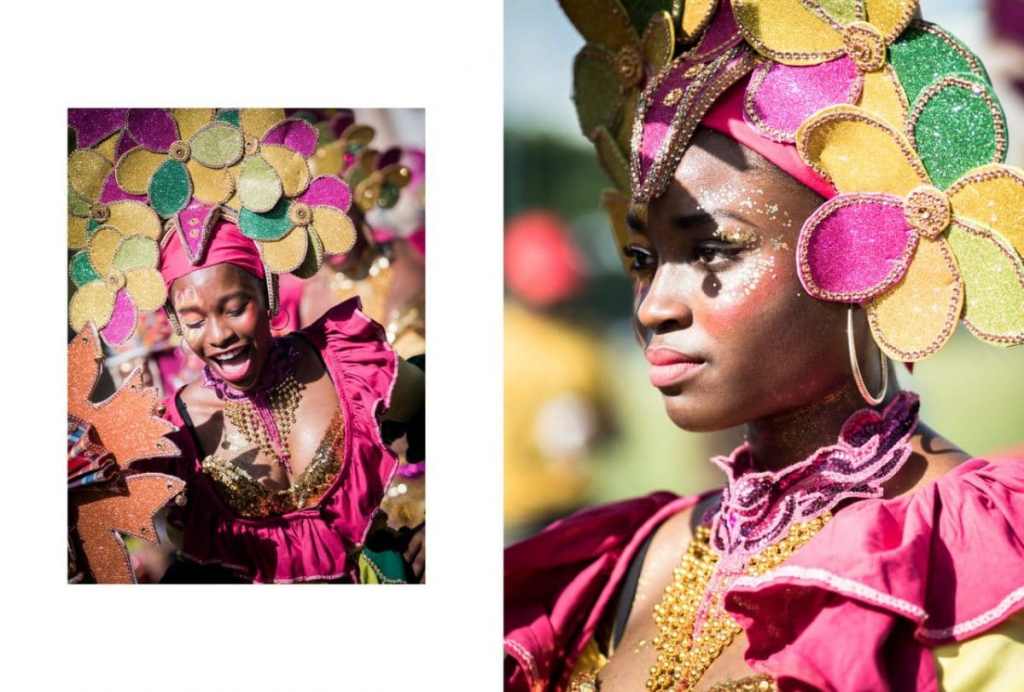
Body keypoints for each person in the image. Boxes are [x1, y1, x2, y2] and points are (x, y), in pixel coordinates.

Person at [505, 1, 1024, 689]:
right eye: (642, 258)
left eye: (714, 250)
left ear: (867, 256)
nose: (654, 306)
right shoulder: (615, 565)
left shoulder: (975, 558)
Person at [68, 108, 425, 583]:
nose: (219, 335)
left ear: (269, 294)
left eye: (235, 308)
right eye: (195, 320)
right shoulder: (172, 434)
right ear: (174, 322)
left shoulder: (345, 362)